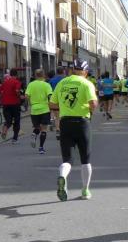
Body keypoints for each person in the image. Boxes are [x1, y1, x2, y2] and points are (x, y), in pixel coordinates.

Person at [50, 59, 98, 201]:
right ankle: (85, 190)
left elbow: (52, 104)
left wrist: (64, 108)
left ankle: (63, 176)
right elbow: (93, 103)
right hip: (82, 122)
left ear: (72, 70)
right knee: (85, 159)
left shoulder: (62, 83)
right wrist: (90, 108)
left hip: (65, 122)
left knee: (67, 159)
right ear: (85, 71)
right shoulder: (86, 83)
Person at [25, 68, 53, 154]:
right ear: (43, 75)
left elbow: (26, 96)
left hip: (34, 109)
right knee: (44, 129)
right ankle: (41, 148)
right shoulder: (46, 85)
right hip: (44, 109)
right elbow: (50, 96)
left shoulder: (31, 84)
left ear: (35, 75)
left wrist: (30, 102)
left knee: (37, 127)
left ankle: (34, 134)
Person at [0, 68, 23, 143]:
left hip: (5, 104)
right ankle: (15, 138)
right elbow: (17, 90)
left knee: (8, 120)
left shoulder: (5, 82)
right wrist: (19, 96)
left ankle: (5, 129)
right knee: (16, 121)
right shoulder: (17, 82)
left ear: (10, 74)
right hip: (15, 103)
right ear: (16, 74)